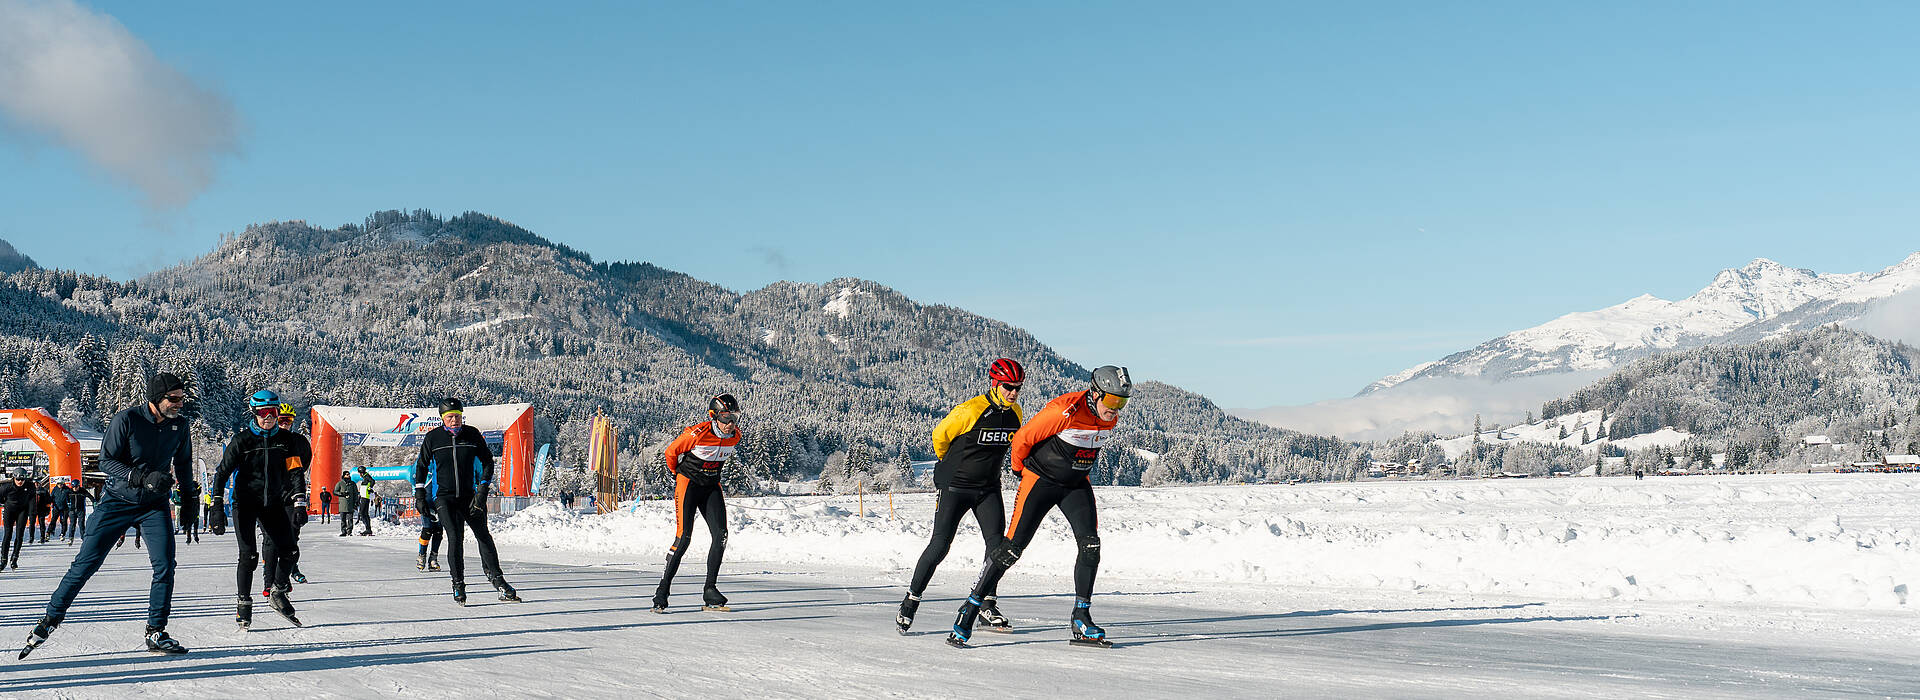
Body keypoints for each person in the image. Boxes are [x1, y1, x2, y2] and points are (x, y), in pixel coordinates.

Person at [948, 366, 1132, 649]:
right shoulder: (1064, 410)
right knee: (1011, 549)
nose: (1115, 408)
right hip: (1040, 481)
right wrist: (1019, 470)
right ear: (1095, 393)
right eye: (1112, 400)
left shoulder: (1109, 416)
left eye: (1122, 402)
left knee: (1090, 545)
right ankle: (970, 609)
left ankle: (1081, 616)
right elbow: (1023, 438)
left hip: (1075, 484)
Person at [21, 373, 196, 657]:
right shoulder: (126, 419)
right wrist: (140, 477)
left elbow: (184, 462)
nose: (179, 404)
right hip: (117, 502)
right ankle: (50, 619)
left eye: (181, 398)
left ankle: (156, 631)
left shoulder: (180, 425)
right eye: (173, 398)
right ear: (155, 398)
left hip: (154, 505)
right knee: (86, 564)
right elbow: (106, 461)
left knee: (165, 565)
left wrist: (189, 499)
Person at [898, 358, 1025, 634]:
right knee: (940, 545)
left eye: (1018, 387)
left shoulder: (1016, 413)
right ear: (995, 384)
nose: (1013, 392)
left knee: (997, 547)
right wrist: (951, 466)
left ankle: (987, 606)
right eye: (1008, 387)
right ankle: (911, 600)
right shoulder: (969, 410)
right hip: (955, 486)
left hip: (988, 488)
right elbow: (939, 437)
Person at [211, 390, 309, 629]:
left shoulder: (286, 441)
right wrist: (216, 505)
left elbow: (296, 472)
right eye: (263, 413)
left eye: (273, 412)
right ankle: (243, 603)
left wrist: (300, 502)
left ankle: (278, 591)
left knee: (290, 550)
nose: (269, 417)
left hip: (272, 503)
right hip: (245, 503)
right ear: (254, 413)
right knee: (249, 556)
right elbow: (221, 473)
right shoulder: (242, 441)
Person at [412, 398, 519, 604]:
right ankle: (458, 584)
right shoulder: (433, 438)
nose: (455, 420)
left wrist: (482, 489)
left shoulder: (472, 434)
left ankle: (499, 581)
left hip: (470, 496)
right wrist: (419, 496)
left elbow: (487, 462)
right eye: (450, 417)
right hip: (444, 497)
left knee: (483, 536)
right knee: (455, 537)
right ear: (443, 418)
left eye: (458, 416)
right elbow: (421, 466)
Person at [650, 394, 742, 613]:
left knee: (721, 535)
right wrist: (676, 474)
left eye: (734, 417)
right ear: (714, 416)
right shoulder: (696, 433)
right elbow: (671, 452)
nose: (730, 423)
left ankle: (710, 589)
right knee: (684, 537)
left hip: (711, 486)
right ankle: (662, 590)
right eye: (726, 417)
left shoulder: (735, 436)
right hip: (688, 484)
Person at [264, 402, 310, 586]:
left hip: (290, 495)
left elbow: (302, 468)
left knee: (291, 536)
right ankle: (271, 577)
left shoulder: (300, 442)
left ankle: (291, 568)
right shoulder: (265, 439)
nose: (285, 423)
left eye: (288, 420)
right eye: (282, 419)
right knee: (271, 538)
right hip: (269, 496)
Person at [0, 469, 34, 569]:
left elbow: (32, 501)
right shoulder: (6, 487)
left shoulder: (30, 486)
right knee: (8, 534)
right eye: (18, 479)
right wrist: (4, 503)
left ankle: (14, 558)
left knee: (19, 535)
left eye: (22, 480)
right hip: (9, 510)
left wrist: (32, 514)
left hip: (22, 511)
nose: (20, 482)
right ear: (14, 478)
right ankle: (3, 559)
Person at [416, 497, 444, 571]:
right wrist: (419, 499)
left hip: (441, 500)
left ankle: (433, 558)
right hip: (426, 500)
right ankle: (422, 555)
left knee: (438, 531)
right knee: (427, 530)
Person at [355, 467, 375, 536]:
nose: (359, 475)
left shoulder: (366, 476)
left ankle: (368, 529)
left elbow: (372, 481)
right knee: (365, 513)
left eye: (359, 473)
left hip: (365, 497)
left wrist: (370, 488)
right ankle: (368, 529)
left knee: (362, 513)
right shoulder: (365, 477)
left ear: (361, 473)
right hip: (364, 496)